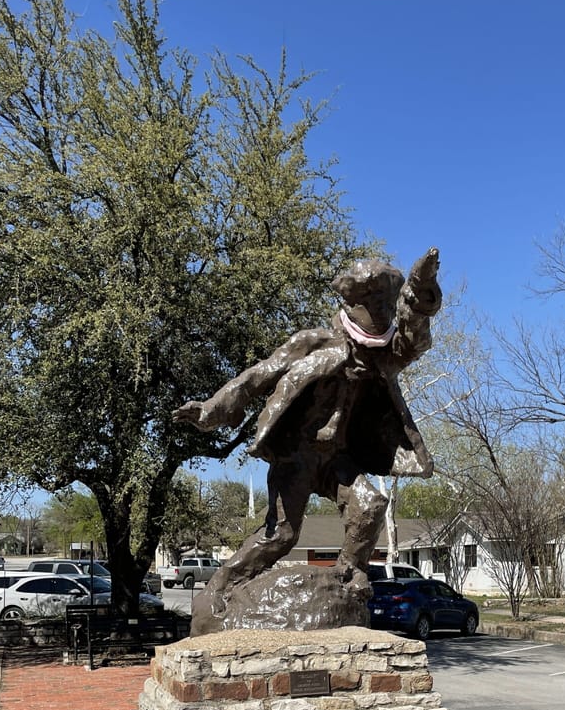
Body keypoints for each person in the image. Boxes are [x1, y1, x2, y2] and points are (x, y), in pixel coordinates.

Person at [174, 248, 441, 597]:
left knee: (370, 507)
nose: (383, 313)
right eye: (376, 306)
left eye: (388, 307)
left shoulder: (384, 356)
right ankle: (219, 590)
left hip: (338, 460)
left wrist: (419, 296)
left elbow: (413, 342)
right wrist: (211, 410)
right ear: (352, 306)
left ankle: (348, 577)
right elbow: (257, 376)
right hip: (297, 456)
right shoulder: (311, 342)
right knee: (281, 535)